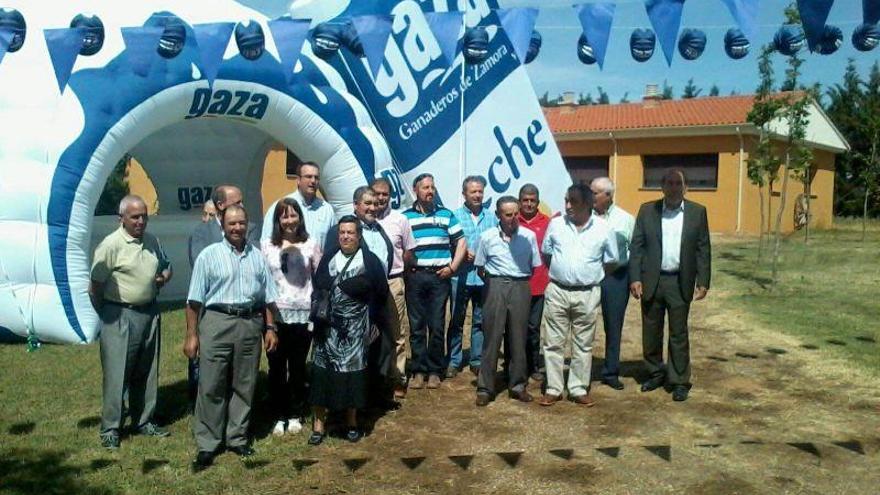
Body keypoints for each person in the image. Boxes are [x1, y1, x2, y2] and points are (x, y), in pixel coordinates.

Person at [184, 204, 280, 472]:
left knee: (244, 383)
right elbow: (193, 301)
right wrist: (192, 335)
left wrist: (270, 329)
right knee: (211, 383)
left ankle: (237, 437)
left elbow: (268, 298)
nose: (237, 228)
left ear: (247, 225)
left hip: (250, 323)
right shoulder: (208, 256)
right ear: (222, 226)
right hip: (217, 322)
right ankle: (208, 443)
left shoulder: (257, 257)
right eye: (231, 224)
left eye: (241, 223)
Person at [90, 195, 172, 449]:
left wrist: (164, 277)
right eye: (135, 217)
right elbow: (95, 285)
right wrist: (107, 314)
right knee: (117, 374)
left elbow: (166, 265)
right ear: (121, 219)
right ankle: (111, 429)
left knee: (146, 370)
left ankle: (144, 420)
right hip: (119, 315)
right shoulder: (110, 245)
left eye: (144, 216)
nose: (140, 221)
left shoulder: (151, 240)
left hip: (149, 312)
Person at [629, 169, 711, 402]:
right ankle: (655, 372)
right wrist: (635, 278)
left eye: (678, 184)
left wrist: (703, 280)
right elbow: (637, 247)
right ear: (662, 187)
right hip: (652, 280)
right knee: (651, 331)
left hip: (679, 281)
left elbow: (703, 248)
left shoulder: (697, 212)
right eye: (669, 183)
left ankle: (679, 380)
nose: (674, 188)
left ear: (685, 188)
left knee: (678, 333)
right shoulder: (647, 211)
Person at [308, 216, 389, 445]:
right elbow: (319, 285)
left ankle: (351, 422)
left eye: (350, 232)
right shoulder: (329, 257)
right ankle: (319, 424)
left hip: (355, 332)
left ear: (359, 235)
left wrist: (373, 324)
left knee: (353, 377)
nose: (345, 236)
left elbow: (381, 293)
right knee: (322, 375)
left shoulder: (370, 261)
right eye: (342, 232)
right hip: (327, 329)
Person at [538, 184, 618, 407]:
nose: (567, 206)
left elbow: (611, 261)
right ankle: (554, 388)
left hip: (588, 293)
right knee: (552, 342)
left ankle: (578, 387)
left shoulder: (604, 228)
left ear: (587, 203)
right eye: (566, 200)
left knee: (583, 344)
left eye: (572, 201)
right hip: (557, 290)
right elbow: (547, 254)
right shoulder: (556, 224)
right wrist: (563, 273)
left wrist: (591, 277)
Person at [323, 187, 395, 407]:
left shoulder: (380, 230)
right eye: (367, 203)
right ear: (356, 205)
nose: (373, 207)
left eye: (375, 203)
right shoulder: (342, 231)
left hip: (378, 300)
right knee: (353, 353)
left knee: (380, 346)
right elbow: (330, 268)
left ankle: (376, 396)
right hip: (352, 307)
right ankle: (350, 403)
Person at [261, 198, 322, 436]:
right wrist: (268, 323)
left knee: (297, 367)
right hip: (275, 316)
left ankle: (296, 412)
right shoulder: (267, 246)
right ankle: (279, 414)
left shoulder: (311, 244)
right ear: (278, 220)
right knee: (276, 367)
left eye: (293, 215)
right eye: (284, 216)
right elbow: (264, 281)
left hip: (302, 315)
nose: (289, 221)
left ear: (300, 218)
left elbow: (319, 278)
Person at [473, 196, 542, 407]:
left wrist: (517, 282)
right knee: (492, 337)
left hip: (521, 286)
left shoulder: (528, 237)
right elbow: (480, 266)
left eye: (515, 214)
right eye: (507, 214)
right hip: (494, 285)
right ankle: (486, 387)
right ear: (498, 215)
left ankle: (518, 385)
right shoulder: (486, 237)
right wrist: (496, 284)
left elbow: (534, 265)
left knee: (518, 338)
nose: (513, 219)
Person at [402, 173, 466, 390]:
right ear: (415, 190)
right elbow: (398, 245)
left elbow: (461, 241)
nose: (430, 191)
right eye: (425, 187)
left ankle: (434, 370)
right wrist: (406, 264)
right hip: (416, 277)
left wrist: (453, 267)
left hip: (440, 277)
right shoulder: (405, 217)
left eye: (432, 187)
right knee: (417, 326)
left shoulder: (446, 215)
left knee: (437, 325)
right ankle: (419, 370)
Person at [446, 176, 496, 378]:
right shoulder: (454, 216)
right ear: (464, 194)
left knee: (479, 320)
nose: (477, 195)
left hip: (482, 277)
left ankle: (476, 359)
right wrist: (460, 252)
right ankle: (454, 360)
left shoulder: (491, 217)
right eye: (473, 191)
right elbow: (448, 242)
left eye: (480, 191)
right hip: (461, 276)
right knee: (456, 320)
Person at [371, 178, 416, 399]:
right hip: (368, 284)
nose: (380, 198)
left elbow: (409, 252)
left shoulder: (400, 220)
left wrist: (399, 274)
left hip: (393, 281)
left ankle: (397, 377)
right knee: (369, 332)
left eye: (385, 194)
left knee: (396, 331)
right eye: (377, 193)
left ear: (390, 196)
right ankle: (372, 377)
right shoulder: (364, 221)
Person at [590, 177, 635, 391]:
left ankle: (610, 371)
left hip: (616, 280)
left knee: (613, 326)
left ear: (608, 195)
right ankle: (582, 370)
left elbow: (635, 251)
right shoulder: (584, 218)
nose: (591, 196)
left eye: (595, 192)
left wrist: (635, 280)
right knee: (583, 324)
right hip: (588, 279)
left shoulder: (626, 219)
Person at [517, 183, 551, 382]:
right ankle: (515, 365)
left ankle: (533, 365)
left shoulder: (547, 222)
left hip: (539, 284)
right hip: (516, 284)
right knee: (513, 327)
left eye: (532, 200)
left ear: (538, 202)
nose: (529, 204)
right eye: (525, 200)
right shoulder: (511, 220)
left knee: (533, 327)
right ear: (519, 201)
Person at [262, 162, 335, 251]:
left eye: (316, 177)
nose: (313, 181)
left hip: (317, 263)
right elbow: (266, 242)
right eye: (308, 176)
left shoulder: (327, 210)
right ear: (298, 180)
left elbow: (333, 245)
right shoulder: (281, 207)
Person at [188, 185, 260, 266]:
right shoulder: (201, 232)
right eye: (237, 203)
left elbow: (255, 260)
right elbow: (200, 265)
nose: (242, 206)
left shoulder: (249, 229)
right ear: (220, 205)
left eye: (242, 202)